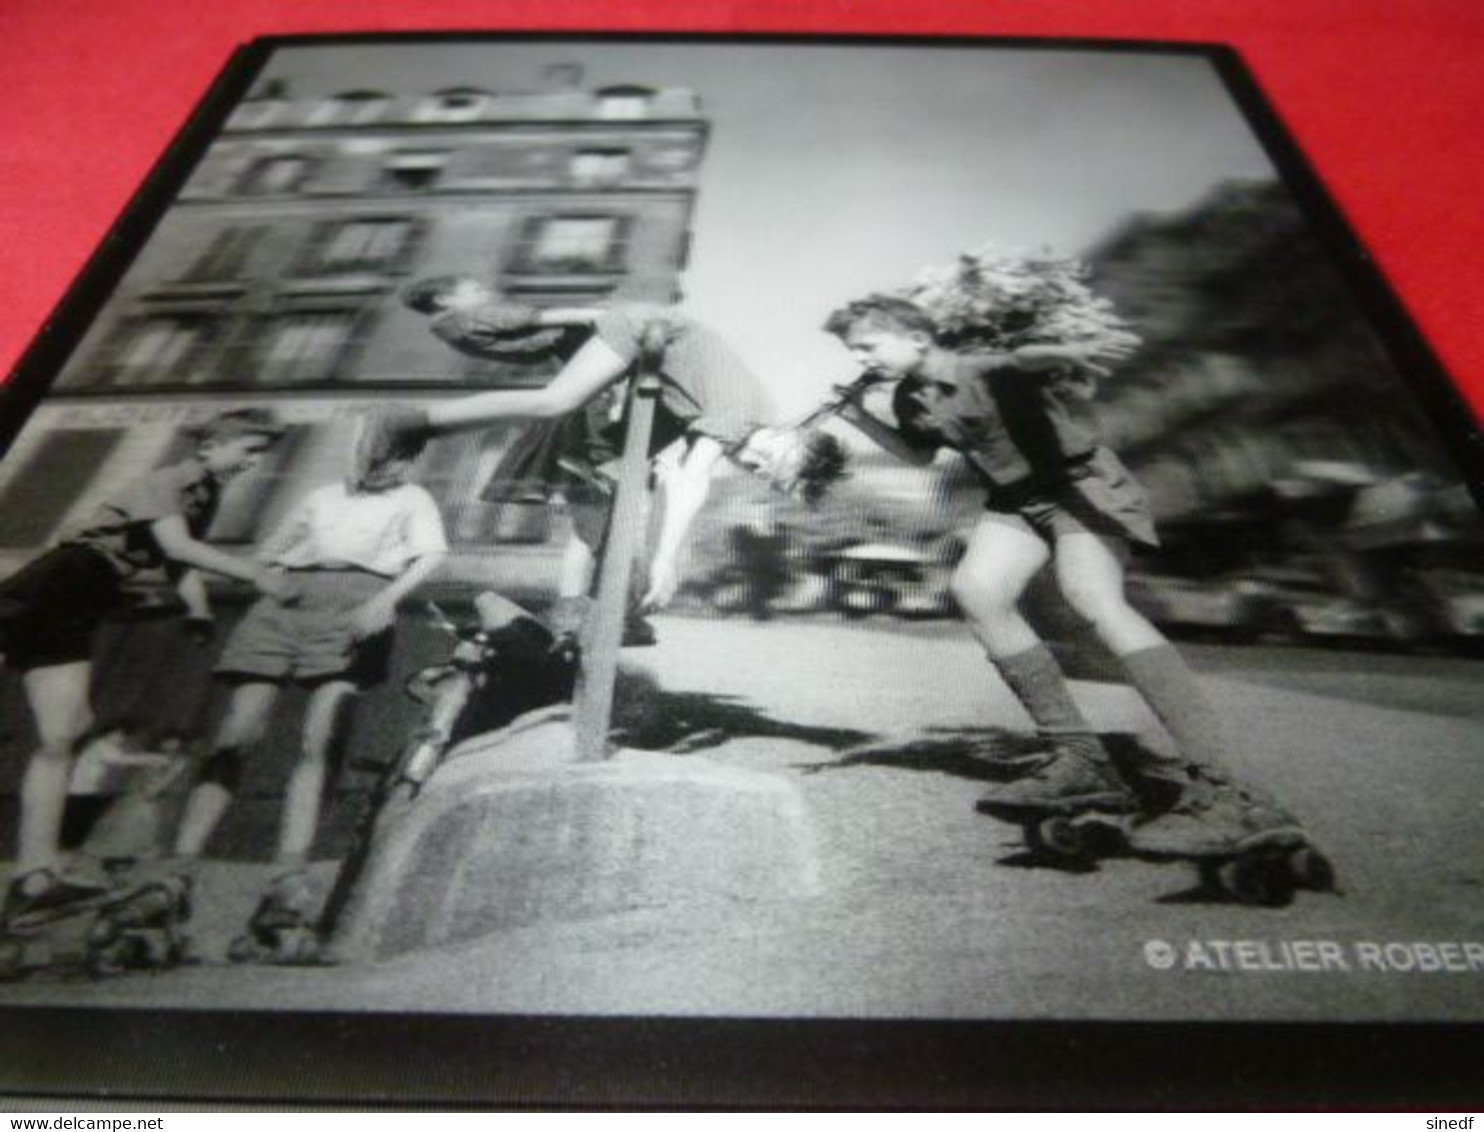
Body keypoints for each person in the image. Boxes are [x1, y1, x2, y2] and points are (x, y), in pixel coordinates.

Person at [822, 294, 1293, 851]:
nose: (859, 359)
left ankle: (1226, 789)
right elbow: (921, 456)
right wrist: (857, 416)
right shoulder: (909, 396)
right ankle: (1082, 761)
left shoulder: (975, 367)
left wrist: (1069, 350)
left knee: (1092, 598)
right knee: (977, 592)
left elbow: (1023, 361)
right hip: (1016, 499)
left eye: (868, 346)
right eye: (853, 350)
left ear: (917, 337)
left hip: (1077, 485)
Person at [390, 279, 847, 636]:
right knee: (555, 401)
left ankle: (589, 609)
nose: (758, 466)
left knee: (609, 491)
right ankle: (418, 420)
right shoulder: (741, 414)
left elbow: (677, 465)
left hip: (650, 345)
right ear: (795, 434)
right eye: (775, 460)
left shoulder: (751, 420)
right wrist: (666, 560)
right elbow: (692, 481)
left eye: (768, 477)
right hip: (645, 333)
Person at [1, 409, 292, 923]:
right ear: (209, 447)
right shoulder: (171, 479)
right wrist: (253, 572)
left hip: (85, 596)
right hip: (60, 581)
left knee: (66, 731)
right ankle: (35, 874)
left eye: (260, 454)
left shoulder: (203, 496)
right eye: (247, 450)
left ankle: (33, 878)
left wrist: (199, 610)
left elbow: (178, 563)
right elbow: (178, 547)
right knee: (62, 733)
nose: (253, 462)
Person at [169, 417, 447, 942]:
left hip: (359, 604)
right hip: (288, 602)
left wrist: (385, 601)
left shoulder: (414, 500)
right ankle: (177, 871)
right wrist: (272, 582)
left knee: (322, 738)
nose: (389, 463)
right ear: (358, 450)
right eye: (378, 451)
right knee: (238, 733)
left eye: (400, 455)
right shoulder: (320, 496)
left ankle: (287, 877)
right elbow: (270, 551)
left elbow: (433, 554)